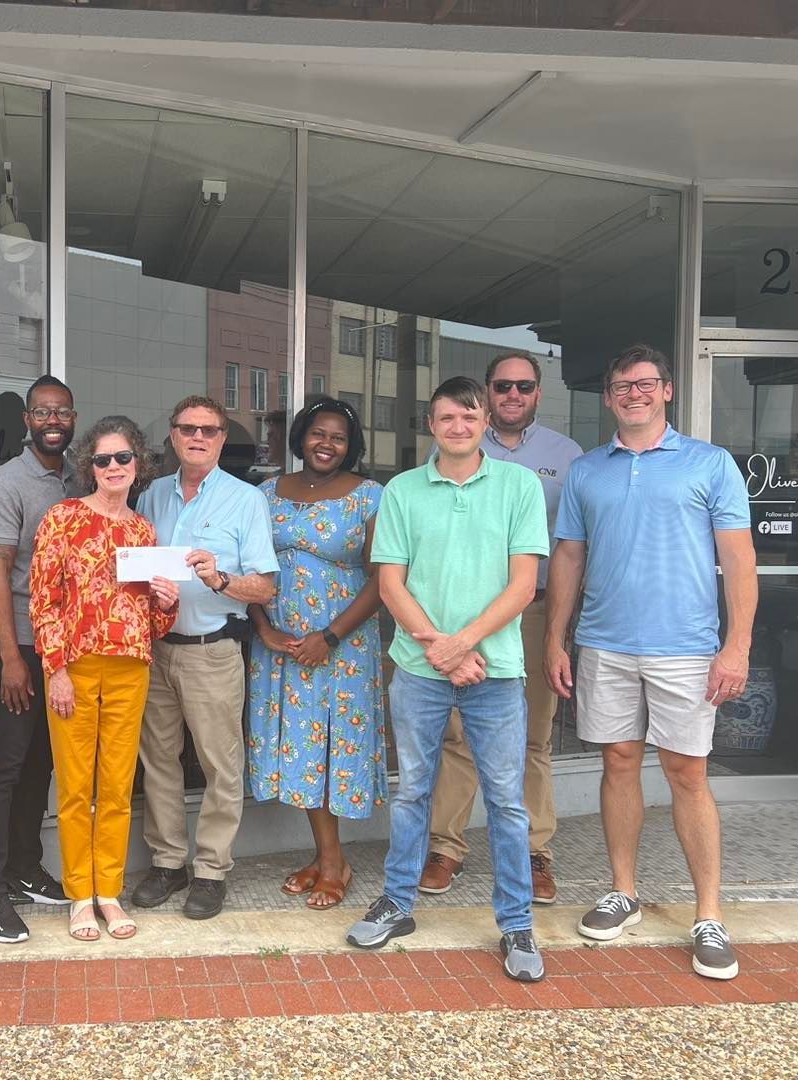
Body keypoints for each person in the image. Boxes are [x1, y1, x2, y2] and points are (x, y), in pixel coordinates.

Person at [545, 344, 757, 981]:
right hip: (606, 643)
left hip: (687, 648)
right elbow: (569, 560)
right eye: (620, 386)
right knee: (618, 762)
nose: (632, 393)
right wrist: (558, 637)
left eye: (644, 384)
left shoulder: (710, 464)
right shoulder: (587, 471)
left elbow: (739, 561)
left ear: (666, 390)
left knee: (688, 773)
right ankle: (623, 891)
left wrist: (737, 644)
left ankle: (709, 915)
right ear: (608, 397)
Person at [346, 376, 550, 984]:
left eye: (468, 416)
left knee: (508, 803)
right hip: (420, 669)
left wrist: (463, 643)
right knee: (412, 790)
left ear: (485, 419)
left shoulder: (518, 486)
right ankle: (398, 903)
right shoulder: (404, 491)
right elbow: (390, 584)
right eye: (445, 418)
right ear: (429, 426)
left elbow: (523, 585)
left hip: (496, 669)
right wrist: (443, 648)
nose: (457, 426)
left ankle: (515, 922)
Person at [422, 352, 582, 904]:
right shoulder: (455, 443)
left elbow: (571, 549)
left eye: (524, 386)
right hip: (459, 618)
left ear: (538, 392)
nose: (513, 394)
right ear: (487, 395)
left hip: (534, 610)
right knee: (458, 735)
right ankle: (446, 847)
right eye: (502, 386)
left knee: (534, 736)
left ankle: (535, 852)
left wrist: (560, 632)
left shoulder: (567, 456)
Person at [30, 416, 179, 941]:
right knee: (75, 787)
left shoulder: (143, 531)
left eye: (123, 458)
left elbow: (155, 622)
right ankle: (79, 897)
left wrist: (167, 603)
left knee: (116, 787)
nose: (113, 467)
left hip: (130, 668)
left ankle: (108, 892)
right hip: (74, 668)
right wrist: (56, 670)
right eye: (102, 459)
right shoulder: (62, 519)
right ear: (87, 466)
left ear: (137, 464)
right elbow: (43, 601)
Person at [132, 396, 279, 921]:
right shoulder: (149, 495)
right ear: (173, 435)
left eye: (209, 430)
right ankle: (169, 864)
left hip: (212, 651)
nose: (198, 437)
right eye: (188, 428)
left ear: (221, 440)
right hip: (155, 652)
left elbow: (264, 587)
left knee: (221, 766)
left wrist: (218, 578)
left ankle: (212, 870)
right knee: (159, 763)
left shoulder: (245, 500)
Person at [248, 397, 386, 909]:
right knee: (302, 750)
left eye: (339, 438)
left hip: (340, 647)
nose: (326, 444)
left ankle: (333, 864)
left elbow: (383, 578)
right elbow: (248, 567)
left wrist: (328, 637)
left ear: (351, 448)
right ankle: (327, 856)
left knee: (329, 745)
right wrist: (262, 628)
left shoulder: (370, 495)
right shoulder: (266, 492)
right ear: (301, 436)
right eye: (318, 434)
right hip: (280, 647)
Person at [0, 375, 78, 945]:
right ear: (28, 420)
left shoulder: (80, 479)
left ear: (73, 418)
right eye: (43, 412)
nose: (52, 421)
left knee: (41, 763)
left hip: (67, 649)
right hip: (23, 645)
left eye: (61, 412)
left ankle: (23, 867)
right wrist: (11, 656)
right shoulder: (8, 482)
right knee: (7, 766)